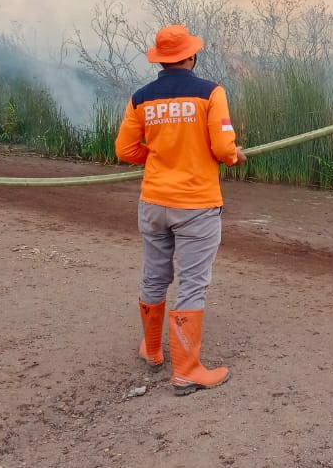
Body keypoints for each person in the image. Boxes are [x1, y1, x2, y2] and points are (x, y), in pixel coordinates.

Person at [115, 25, 247, 395]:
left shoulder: (141, 98)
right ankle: (187, 370)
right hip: (196, 205)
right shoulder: (211, 93)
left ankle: (154, 351)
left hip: (154, 202)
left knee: (155, 275)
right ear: (191, 56)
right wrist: (234, 155)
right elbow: (223, 149)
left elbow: (125, 151)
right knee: (192, 282)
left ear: (161, 59)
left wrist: (160, 157)